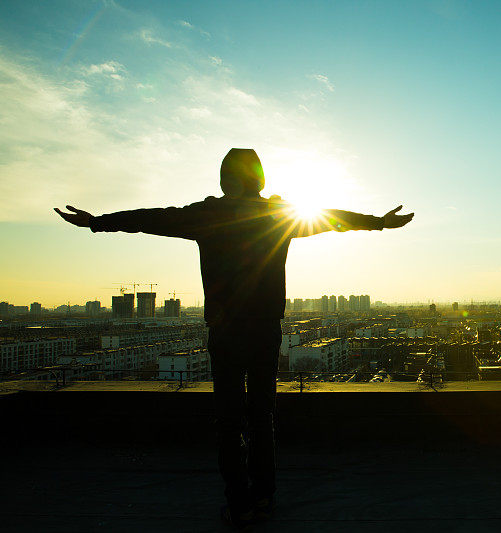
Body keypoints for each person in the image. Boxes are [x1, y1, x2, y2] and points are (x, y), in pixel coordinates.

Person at [55, 148, 414, 529]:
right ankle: (263, 497)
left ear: (226, 179)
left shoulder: (208, 215)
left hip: (225, 331)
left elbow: (151, 218)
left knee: (229, 420)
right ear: (259, 179)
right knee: (262, 416)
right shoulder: (277, 215)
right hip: (264, 330)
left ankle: (240, 505)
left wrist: (97, 222)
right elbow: (331, 219)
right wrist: (378, 222)